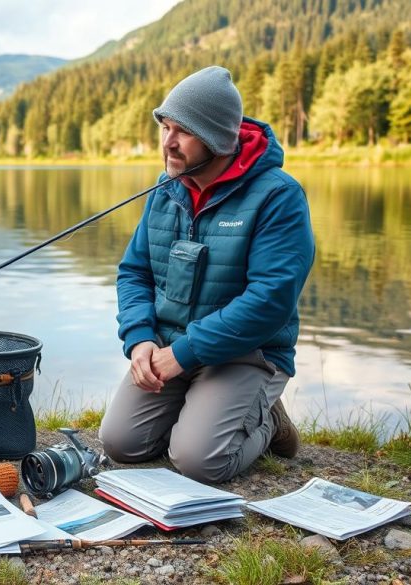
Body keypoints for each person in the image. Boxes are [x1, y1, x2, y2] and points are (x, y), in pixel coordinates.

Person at [98, 66, 315, 484]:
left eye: (183, 131)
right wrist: (141, 337)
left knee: (199, 461)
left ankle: (269, 421)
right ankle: (206, 410)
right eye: (165, 126)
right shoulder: (166, 189)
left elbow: (269, 301)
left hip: (247, 353)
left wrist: (184, 354)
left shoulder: (278, 196)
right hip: (168, 345)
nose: (168, 142)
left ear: (217, 138)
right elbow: (134, 272)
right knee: (121, 444)